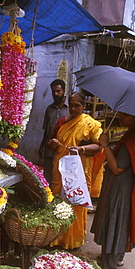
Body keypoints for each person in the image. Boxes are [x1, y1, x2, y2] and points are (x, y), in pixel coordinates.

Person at [91, 112, 135, 269]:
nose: (120, 117)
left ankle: (109, 265)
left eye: (125, 115)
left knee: (115, 221)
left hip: (120, 187)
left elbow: (117, 168)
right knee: (122, 221)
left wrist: (105, 145)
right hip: (128, 185)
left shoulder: (134, 138)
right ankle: (117, 257)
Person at [48, 91, 103, 250]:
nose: (73, 108)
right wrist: (53, 143)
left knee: (76, 203)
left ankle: (73, 241)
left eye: (77, 106)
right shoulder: (61, 122)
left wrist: (81, 149)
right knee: (58, 200)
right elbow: (50, 144)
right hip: (60, 169)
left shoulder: (90, 124)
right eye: (71, 105)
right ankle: (56, 238)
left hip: (78, 171)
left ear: (84, 107)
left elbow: (99, 146)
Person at [38, 79, 69, 185]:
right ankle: (49, 198)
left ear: (64, 91)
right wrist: (42, 146)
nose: (55, 94)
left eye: (58, 91)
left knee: (62, 175)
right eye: (53, 91)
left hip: (63, 148)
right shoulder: (49, 109)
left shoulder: (70, 109)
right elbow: (46, 130)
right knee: (48, 175)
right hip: (49, 148)